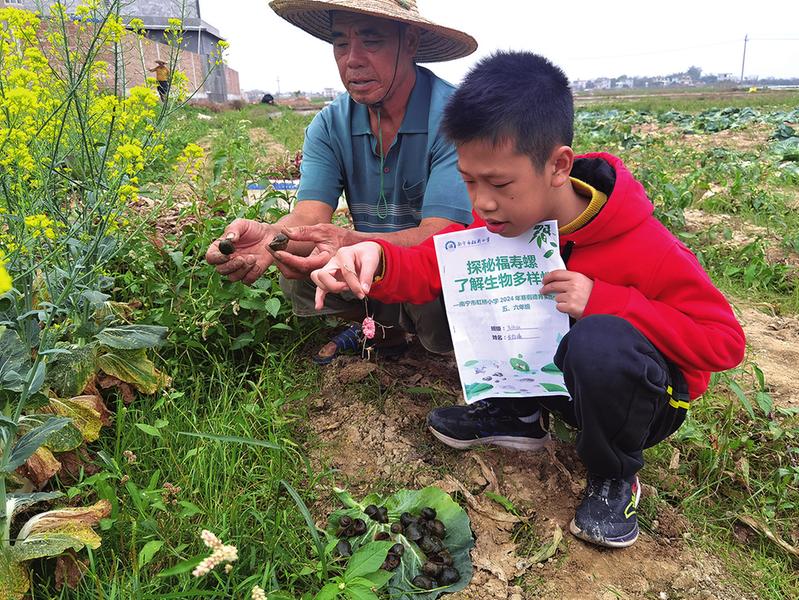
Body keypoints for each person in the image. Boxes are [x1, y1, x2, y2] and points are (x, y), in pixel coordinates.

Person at [310, 52, 746, 548]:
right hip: (557, 380)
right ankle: (517, 414)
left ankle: (614, 474)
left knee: (600, 339)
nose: (482, 203)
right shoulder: (499, 225)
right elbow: (431, 267)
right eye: (469, 181)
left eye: (498, 183)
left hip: (640, 399)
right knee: (479, 283)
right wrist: (373, 254)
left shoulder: (645, 245)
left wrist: (606, 300)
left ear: (558, 165)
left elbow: (724, 343)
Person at [205, 0, 476, 364]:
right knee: (294, 264)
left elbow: (442, 236)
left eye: (371, 40)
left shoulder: (456, 119)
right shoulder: (330, 125)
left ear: (409, 42)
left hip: (433, 273)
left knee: (437, 291)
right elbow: (308, 217)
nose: (353, 59)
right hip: (371, 268)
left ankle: (460, 348)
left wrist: (354, 242)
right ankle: (384, 330)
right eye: (341, 43)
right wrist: (271, 236)